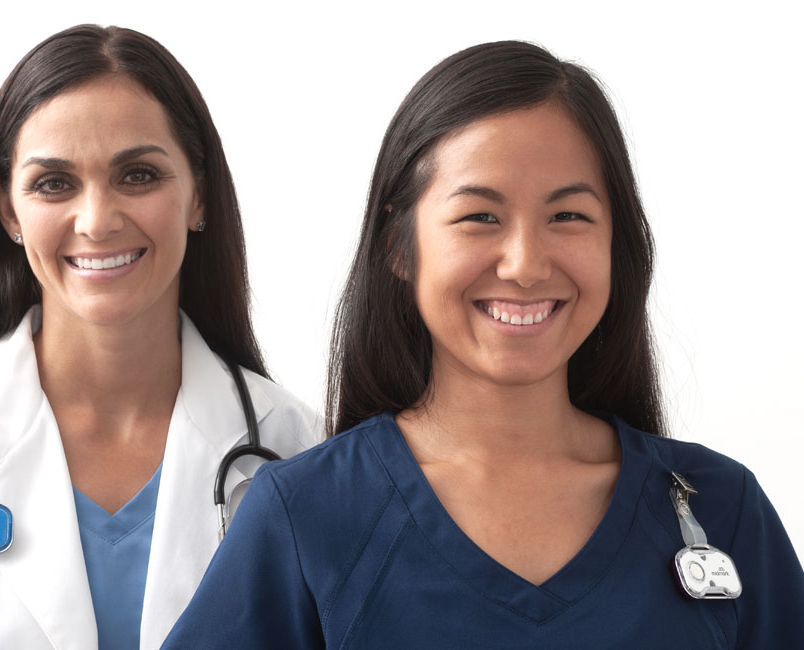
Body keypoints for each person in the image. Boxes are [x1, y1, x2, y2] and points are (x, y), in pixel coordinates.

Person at [161, 41, 804, 648]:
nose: (525, 264)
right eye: (480, 217)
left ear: (617, 244)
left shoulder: (723, 509)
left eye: (568, 216)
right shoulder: (304, 516)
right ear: (399, 247)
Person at [0, 24, 320, 650]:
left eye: (139, 176)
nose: (97, 221)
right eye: (53, 183)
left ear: (198, 193)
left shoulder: (298, 451)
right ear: (9, 209)